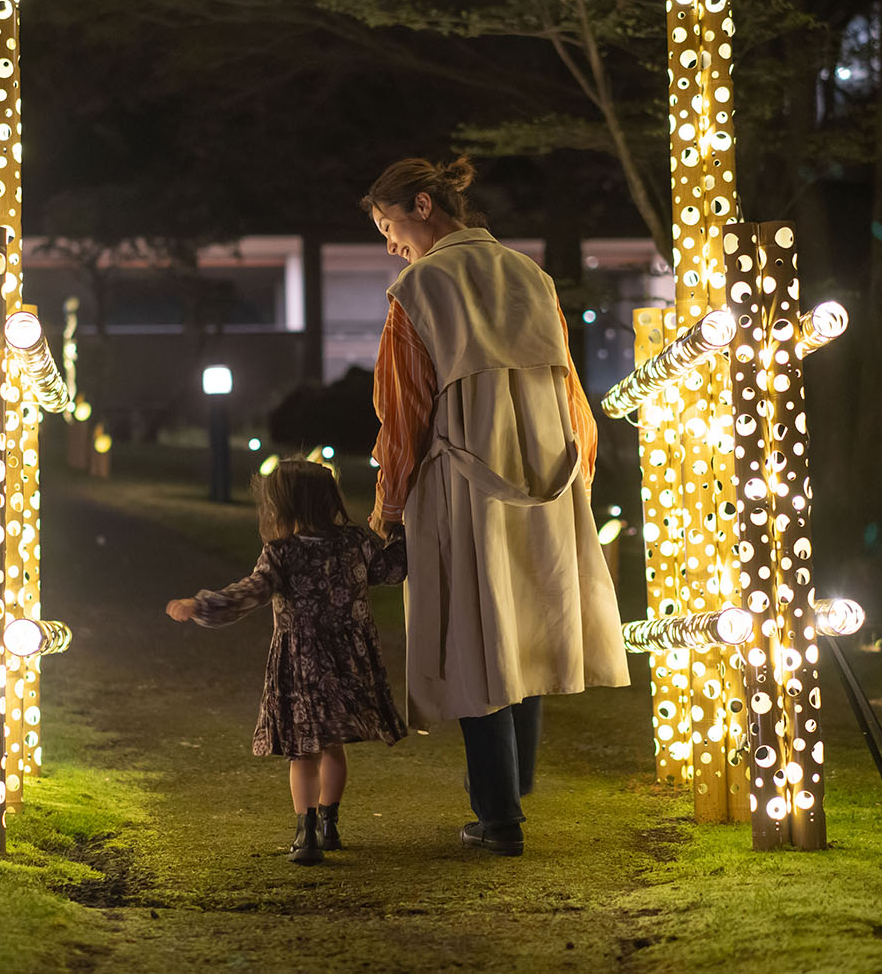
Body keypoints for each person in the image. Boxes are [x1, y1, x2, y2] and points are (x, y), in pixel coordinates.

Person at [362, 155, 628, 858]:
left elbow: (405, 409)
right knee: (528, 625)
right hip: (547, 473)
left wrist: (390, 502)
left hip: (464, 483)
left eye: (390, 227)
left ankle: (499, 814)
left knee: (477, 640)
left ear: (423, 206)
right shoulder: (530, 275)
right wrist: (581, 479)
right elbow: (570, 384)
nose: (391, 245)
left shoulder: (418, 289)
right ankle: (514, 787)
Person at [166, 459, 409, 866]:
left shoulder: (282, 553)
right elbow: (392, 569)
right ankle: (330, 826)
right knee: (332, 746)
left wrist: (200, 605)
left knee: (303, 752)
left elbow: (251, 591)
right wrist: (401, 531)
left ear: (285, 505)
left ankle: (306, 834)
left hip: (301, 663)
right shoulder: (356, 542)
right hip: (349, 658)